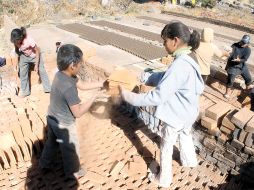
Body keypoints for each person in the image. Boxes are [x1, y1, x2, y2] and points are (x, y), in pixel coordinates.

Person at [119, 21, 204, 188]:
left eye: (165, 41)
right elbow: (168, 77)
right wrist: (147, 77)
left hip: (177, 116)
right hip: (190, 111)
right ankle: (190, 161)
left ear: (175, 40)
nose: (164, 45)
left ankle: (163, 179)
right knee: (185, 135)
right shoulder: (189, 58)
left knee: (166, 146)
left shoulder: (179, 65)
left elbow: (157, 97)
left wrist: (129, 97)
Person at [39, 44, 105, 180]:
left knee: (51, 142)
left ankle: (44, 164)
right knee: (71, 149)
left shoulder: (62, 74)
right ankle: (73, 172)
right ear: (72, 65)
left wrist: (100, 84)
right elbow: (78, 112)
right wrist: (94, 97)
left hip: (52, 117)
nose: (81, 67)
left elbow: (82, 85)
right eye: (80, 64)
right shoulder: (68, 87)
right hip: (64, 124)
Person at [10, 27, 51, 97]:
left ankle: (48, 89)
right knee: (22, 72)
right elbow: (17, 51)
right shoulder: (15, 41)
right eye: (15, 41)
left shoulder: (28, 40)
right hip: (24, 56)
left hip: (35, 55)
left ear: (21, 37)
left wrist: (36, 64)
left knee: (42, 70)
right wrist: (16, 64)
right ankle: (26, 92)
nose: (16, 43)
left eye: (17, 41)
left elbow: (37, 50)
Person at [224, 34, 252, 99]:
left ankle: (247, 91)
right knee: (230, 79)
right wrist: (228, 52)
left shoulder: (248, 49)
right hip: (232, 65)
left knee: (248, 78)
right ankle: (227, 93)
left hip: (241, 65)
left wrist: (239, 60)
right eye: (242, 42)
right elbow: (229, 53)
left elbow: (245, 59)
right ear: (241, 40)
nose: (243, 44)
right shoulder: (235, 45)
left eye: (244, 43)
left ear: (247, 43)